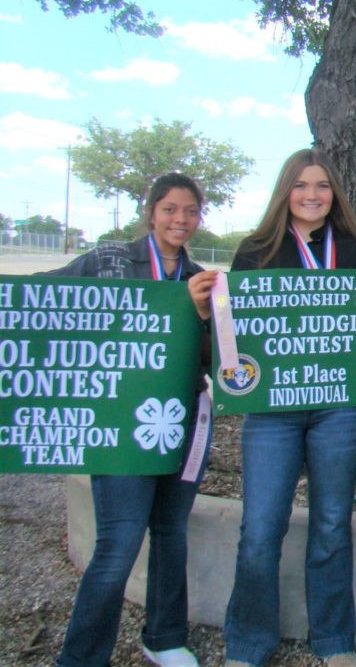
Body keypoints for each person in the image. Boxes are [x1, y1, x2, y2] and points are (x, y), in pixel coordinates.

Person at [190, 148, 356, 667]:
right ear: (285, 192)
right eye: (301, 185)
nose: (312, 195)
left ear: (334, 193)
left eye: (322, 185)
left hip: (339, 410)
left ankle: (334, 641)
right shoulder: (254, 251)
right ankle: (249, 643)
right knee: (260, 529)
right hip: (271, 411)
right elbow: (229, 342)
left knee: (329, 525)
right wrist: (206, 312)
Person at [51, 173, 210, 667]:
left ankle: (164, 638)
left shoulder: (201, 278)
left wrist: (205, 317)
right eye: (169, 209)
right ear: (151, 212)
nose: (179, 220)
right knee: (118, 545)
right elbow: (45, 300)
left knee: (170, 532)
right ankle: (80, 657)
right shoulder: (107, 260)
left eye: (189, 211)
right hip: (121, 426)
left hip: (179, 423)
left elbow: (211, 359)